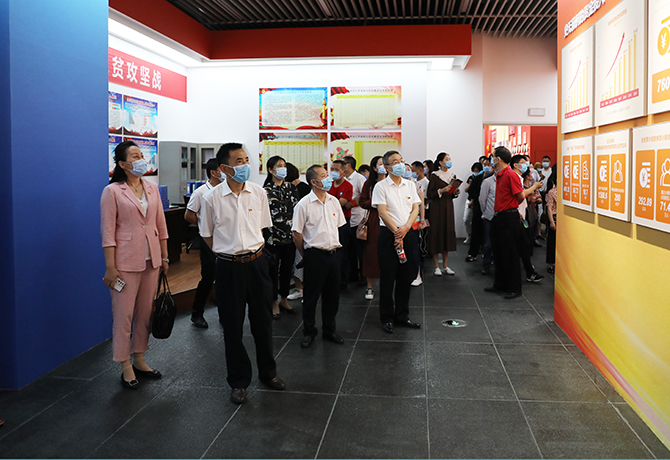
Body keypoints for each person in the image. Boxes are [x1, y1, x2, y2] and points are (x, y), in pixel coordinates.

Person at [200, 143, 285, 404]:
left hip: (257, 264)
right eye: (239, 161)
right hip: (229, 267)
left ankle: (268, 373)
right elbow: (207, 235)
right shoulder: (211, 198)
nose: (245, 165)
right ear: (224, 168)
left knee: (263, 322)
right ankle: (238, 381)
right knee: (232, 326)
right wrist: (227, 253)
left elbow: (262, 228)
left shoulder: (258, 193)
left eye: (247, 159)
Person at [101, 140, 169, 389]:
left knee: (145, 313)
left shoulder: (151, 187)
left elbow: (161, 224)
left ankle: (139, 358)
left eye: (142, 155)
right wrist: (111, 267)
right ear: (122, 164)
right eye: (135, 156)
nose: (141, 159)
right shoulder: (112, 191)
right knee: (124, 314)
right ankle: (124, 364)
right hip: (125, 263)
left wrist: (164, 257)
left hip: (152, 260)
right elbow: (108, 232)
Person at [292, 165, 347, 348]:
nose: (328, 178)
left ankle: (329, 330)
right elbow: (297, 234)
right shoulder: (304, 205)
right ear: (314, 182)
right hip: (315, 255)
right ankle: (309, 332)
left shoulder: (333, 201)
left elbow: (339, 227)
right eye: (324, 176)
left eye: (327, 174)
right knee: (311, 297)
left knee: (332, 296)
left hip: (334, 254)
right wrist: (306, 255)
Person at [372, 150, 422, 334]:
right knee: (388, 277)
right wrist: (396, 232)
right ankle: (386, 317)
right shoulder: (381, 186)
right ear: (387, 167)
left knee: (405, 277)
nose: (400, 164)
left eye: (401, 161)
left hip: (407, 233)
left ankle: (402, 315)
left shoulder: (410, 185)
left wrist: (406, 228)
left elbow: (415, 208)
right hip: (388, 235)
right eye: (395, 162)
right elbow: (382, 212)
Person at [484, 147, 543, 299]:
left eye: (493, 157)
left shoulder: (510, 175)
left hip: (509, 217)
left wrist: (533, 188)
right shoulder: (500, 175)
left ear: (498, 159)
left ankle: (514, 287)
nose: (492, 160)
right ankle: (500, 284)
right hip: (498, 217)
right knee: (499, 253)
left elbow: (520, 196)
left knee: (510, 254)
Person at [184, 158, 223, 328]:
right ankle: (197, 313)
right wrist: (204, 226)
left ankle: (223, 310)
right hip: (208, 238)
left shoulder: (225, 189)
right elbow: (188, 215)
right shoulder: (201, 192)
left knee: (224, 275)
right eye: (222, 169)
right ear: (214, 173)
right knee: (208, 276)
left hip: (225, 239)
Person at [263, 155, 300, 319]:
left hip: (290, 236)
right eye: (279, 166)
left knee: (287, 270)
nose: (283, 168)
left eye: (284, 165)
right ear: (271, 170)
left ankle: (284, 299)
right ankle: (274, 302)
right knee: (272, 272)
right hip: (272, 238)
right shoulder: (265, 190)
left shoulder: (292, 188)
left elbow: (297, 210)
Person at [510, 155, 544, 283]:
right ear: (515, 165)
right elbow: (520, 196)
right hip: (515, 216)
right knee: (520, 247)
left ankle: (529, 272)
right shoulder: (514, 178)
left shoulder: (517, 178)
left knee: (523, 246)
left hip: (521, 216)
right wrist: (534, 188)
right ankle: (524, 273)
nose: (526, 165)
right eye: (523, 162)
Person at [427, 152, 460, 276]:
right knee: (436, 233)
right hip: (437, 208)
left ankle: (446, 265)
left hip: (448, 207)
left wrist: (455, 192)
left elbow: (452, 194)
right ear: (440, 162)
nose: (449, 161)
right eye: (446, 159)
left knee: (447, 233)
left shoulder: (452, 176)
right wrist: (441, 190)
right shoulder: (435, 175)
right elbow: (430, 194)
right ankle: (436, 266)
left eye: (449, 158)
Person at [359, 156, 385, 300]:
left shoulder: (392, 182)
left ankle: (387, 285)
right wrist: (376, 202)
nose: (383, 166)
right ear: (374, 168)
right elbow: (362, 202)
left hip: (392, 219)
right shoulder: (369, 184)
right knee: (371, 253)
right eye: (380, 164)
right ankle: (370, 287)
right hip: (374, 220)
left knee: (389, 253)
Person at [285, 162, 310, 301]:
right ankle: (300, 288)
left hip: (301, 229)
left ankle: (301, 288)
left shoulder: (301, 189)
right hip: (292, 229)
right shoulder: (292, 187)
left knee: (299, 260)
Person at [328, 160, 353, 290]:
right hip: (328, 222)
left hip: (343, 222)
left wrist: (330, 203)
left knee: (343, 252)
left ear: (343, 171)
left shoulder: (348, 186)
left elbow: (338, 204)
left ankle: (343, 281)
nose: (333, 172)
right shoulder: (329, 185)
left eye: (336, 169)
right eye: (332, 169)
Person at [343, 155, 367, 286]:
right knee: (349, 250)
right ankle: (352, 275)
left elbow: (364, 196)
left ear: (348, 165)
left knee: (360, 250)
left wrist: (350, 203)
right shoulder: (343, 179)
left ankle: (364, 276)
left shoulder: (359, 178)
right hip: (346, 219)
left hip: (358, 219)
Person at [410, 161, 430, 286]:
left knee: (415, 248)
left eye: (410, 170)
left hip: (414, 220)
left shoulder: (417, 186)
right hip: (400, 221)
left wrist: (422, 220)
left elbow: (421, 205)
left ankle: (417, 275)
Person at [465, 161, 485, 262]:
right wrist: (477, 198)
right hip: (478, 208)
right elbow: (470, 191)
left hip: (491, 209)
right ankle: (473, 253)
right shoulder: (478, 178)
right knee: (476, 230)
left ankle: (488, 254)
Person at [478, 166, 496, 275]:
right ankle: (486, 265)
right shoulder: (488, 182)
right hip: (489, 216)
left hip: (502, 217)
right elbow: (482, 199)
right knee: (488, 243)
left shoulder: (507, 180)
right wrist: (486, 211)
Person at [545, 165, 558, 274]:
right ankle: (550, 264)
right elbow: (549, 208)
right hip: (555, 218)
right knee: (552, 242)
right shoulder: (552, 192)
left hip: (562, 219)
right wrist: (552, 222)